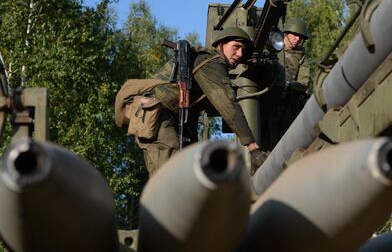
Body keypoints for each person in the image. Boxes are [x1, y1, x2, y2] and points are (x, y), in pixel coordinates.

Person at [123, 27, 268, 176]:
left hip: (162, 117)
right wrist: (252, 147)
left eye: (243, 50)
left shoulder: (208, 63)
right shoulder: (211, 62)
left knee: (189, 172)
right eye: (236, 47)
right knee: (170, 176)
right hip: (157, 116)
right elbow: (228, 105)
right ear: (221, 44)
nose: (239, 54)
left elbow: (190, 111)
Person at [261, 18, 311, 151]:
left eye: (300, 37)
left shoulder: (301, 56)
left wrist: (288, 86)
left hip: (289, 102)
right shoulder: (271, 49)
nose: (297, 39)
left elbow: (304, 83)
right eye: (294, 35)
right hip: (267, 101)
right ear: (286, 34)